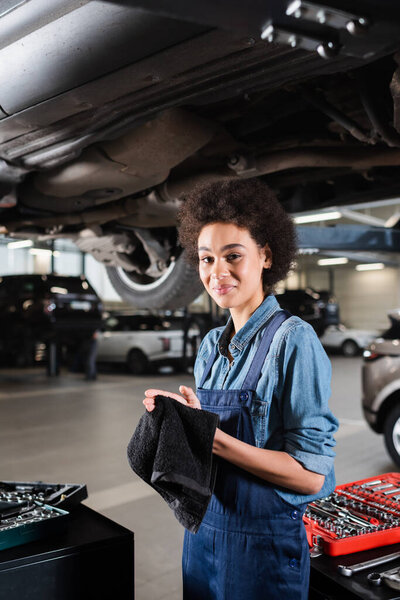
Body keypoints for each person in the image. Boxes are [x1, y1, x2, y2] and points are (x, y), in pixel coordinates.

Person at [143, 178, 339, 600]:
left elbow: (310, 477)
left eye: (233, 256)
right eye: (206, 258)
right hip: (202, 537)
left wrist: (211, 439)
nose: (218, 273)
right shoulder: (212, 346)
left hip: (261, 550)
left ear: (266, 255)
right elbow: (207, 448)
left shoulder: (293, 340)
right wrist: (185, 419)